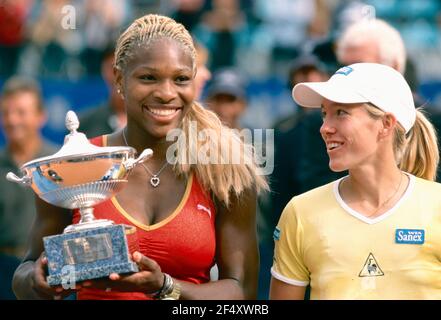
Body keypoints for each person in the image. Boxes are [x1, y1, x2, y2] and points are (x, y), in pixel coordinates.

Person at [12, 14, 267, 300]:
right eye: (148, 78)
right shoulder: (76, 164)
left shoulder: (225, 170)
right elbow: (26, 270)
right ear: (119, 79)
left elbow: (242, 294)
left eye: (181, 79)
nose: (166, 93)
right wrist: (36, 281)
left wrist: (166, 288)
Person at [270, 62, 441, 300]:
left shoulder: (437, 205)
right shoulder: (300, 212)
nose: (324, 128)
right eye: (324, 113)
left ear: (386, 124)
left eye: (341, 112)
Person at [0, 76, 57, 299]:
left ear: (40, 116)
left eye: (21, 112)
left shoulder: (59, 161)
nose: (12, 120)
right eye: (6, 113)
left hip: (48, 271)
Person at [79, 46, 126, 138]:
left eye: (124, 66)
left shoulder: (153, 120)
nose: (119, 76)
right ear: (103, 70)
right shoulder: (85, 124)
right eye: (113, 68)